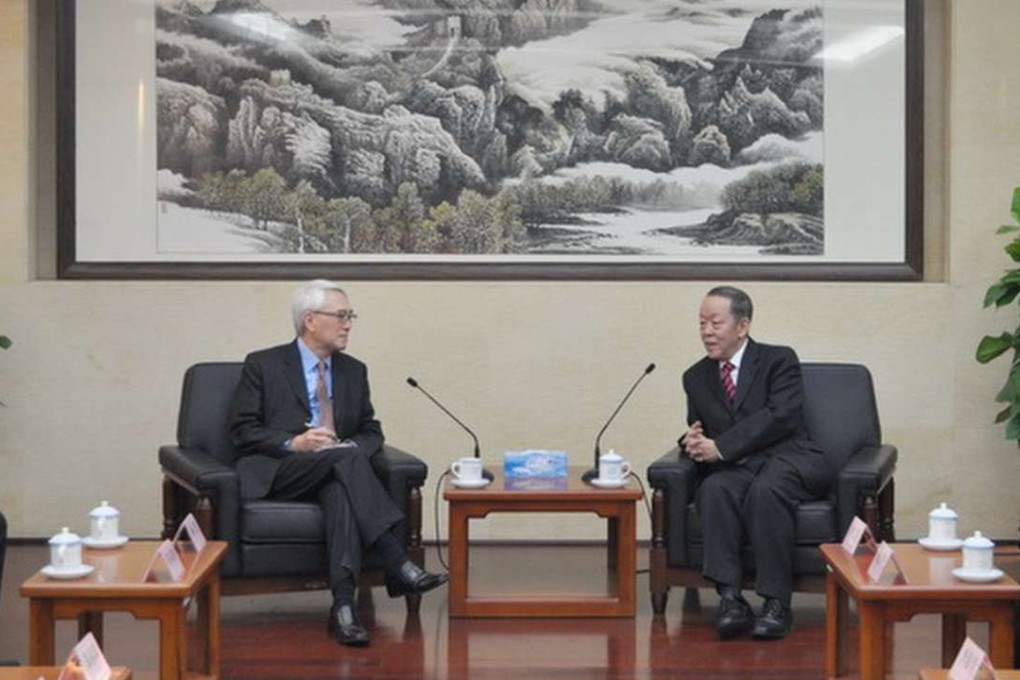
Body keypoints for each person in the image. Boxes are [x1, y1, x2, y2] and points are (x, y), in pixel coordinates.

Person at [228, 279, 447, 647]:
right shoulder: (263, 364)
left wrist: (349, 448)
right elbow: (242, 430)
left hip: (337, 471)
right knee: (344, 461)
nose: (348, 325)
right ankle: (397, 561)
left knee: (339, 488)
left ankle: (344, 608)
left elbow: (371, 430)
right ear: (310, 320)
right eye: (341, 316)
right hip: (282, 470)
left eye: (350, 317)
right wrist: (294, 443)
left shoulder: (353, 370)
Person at [679, 286, 829, 640]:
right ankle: (731, 600)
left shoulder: (778, 360)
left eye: (716, 323)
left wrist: (721, 447)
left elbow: (781, 416)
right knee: (714, 489)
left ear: (743, 326)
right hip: (739, 466)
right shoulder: (695, 377)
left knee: (767, 490)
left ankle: (777, 604)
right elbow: (701, 428)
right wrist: (691, 442)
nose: (707, 332)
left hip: (788, 457)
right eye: (701, 323)